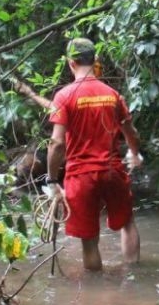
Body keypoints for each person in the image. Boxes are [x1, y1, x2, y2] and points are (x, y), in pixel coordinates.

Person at [45, 37, 143, 270]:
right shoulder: (112, 94)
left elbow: (57, 144)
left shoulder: (63, 97)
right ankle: (133, 277)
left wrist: (51, 180)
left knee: (89, 242)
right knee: (127, 222)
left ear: (71, 63)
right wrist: (135, 153)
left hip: (80, 176)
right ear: (94, 60)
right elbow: (131, 132)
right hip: (112, 170)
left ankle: (98, 293)